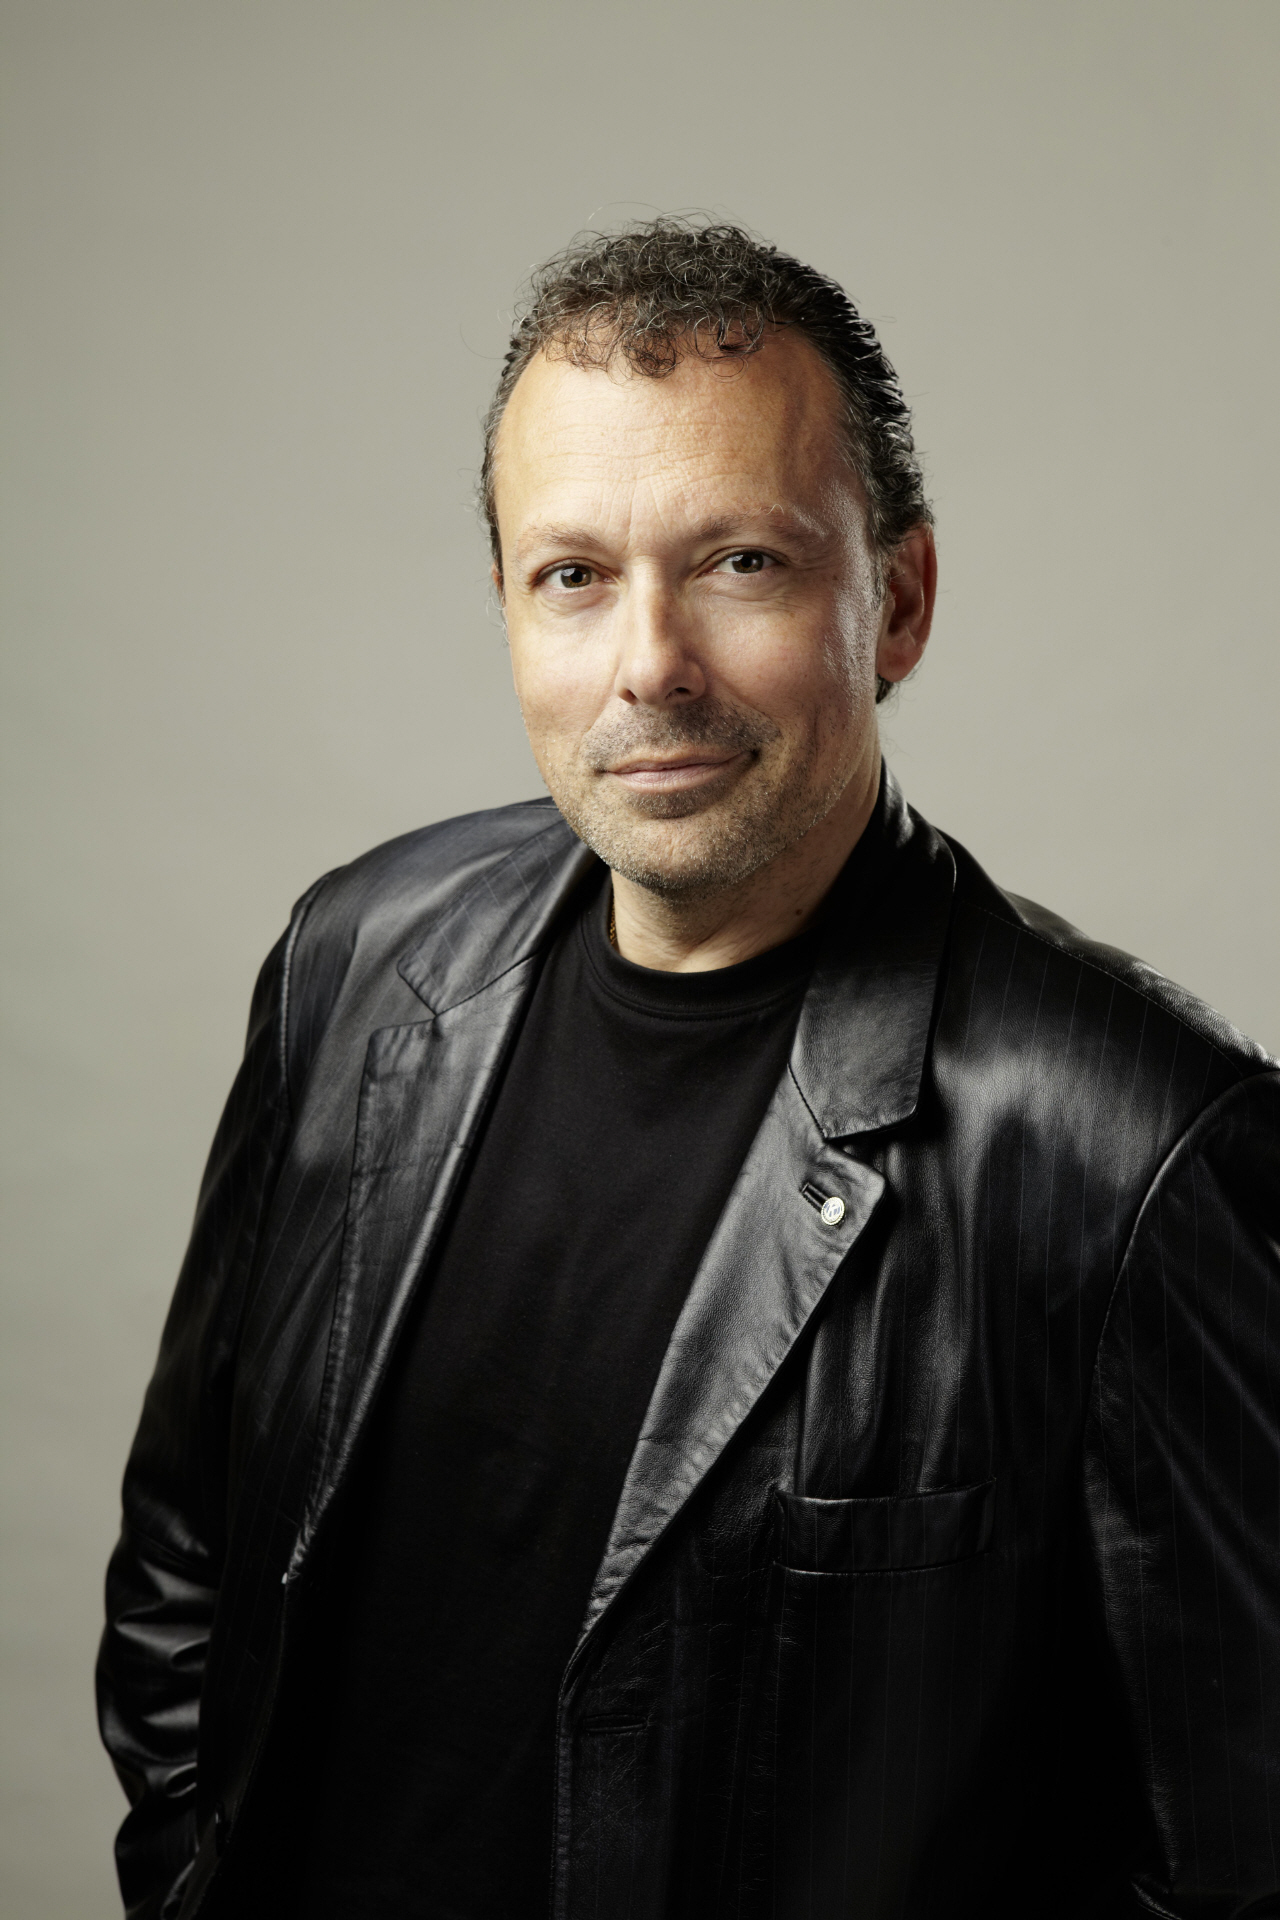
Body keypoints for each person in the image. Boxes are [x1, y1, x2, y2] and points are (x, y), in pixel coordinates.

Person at [98, 218, 1280, 1920]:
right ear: (509, 611)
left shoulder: (1133, 1149)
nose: (648, 663)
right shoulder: (357, 962)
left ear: (898, 601)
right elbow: (188, 1559)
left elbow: (1238, 1854)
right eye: (573, 576)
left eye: (738, 562)